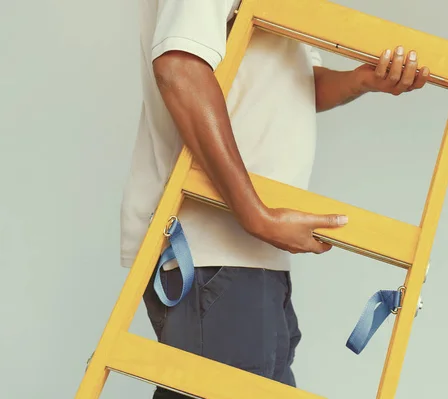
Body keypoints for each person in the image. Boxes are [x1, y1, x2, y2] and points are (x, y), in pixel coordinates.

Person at [120, 0, 430, 397]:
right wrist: (255, 215)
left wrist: (361, 80)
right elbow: (179, 68)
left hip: (247, 256)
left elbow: (296, 81)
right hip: (211, 250)